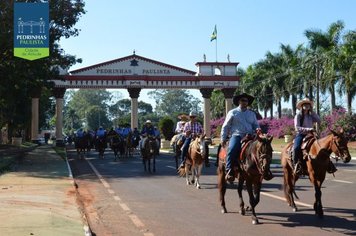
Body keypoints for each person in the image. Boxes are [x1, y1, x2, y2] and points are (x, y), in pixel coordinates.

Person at [221, 93, 261, 183]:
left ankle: (263, 169)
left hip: (250, 136)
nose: (244, 102)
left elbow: (256, 125)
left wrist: (258, 129)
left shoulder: (251, 114)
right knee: (232, 148)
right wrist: (223, 138)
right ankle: (229, 170)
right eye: (243, 100)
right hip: (237, 135)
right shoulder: (232, 112)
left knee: (262, 149)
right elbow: (225, 126)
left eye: (246, 101)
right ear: (239, 101)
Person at [292, 98, 336, 174]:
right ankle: (296, 164)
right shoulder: (298, 115)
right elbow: (297, 128)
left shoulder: (310, 115)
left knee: (323, 147)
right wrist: (309, 129)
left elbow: (319, 120)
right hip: (301, 134)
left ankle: (329, 164)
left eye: (308, 104)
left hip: (311, 135)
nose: (307, 105)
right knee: (296, 148)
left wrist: (313, 112)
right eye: (305, 104)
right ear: (302, 106)